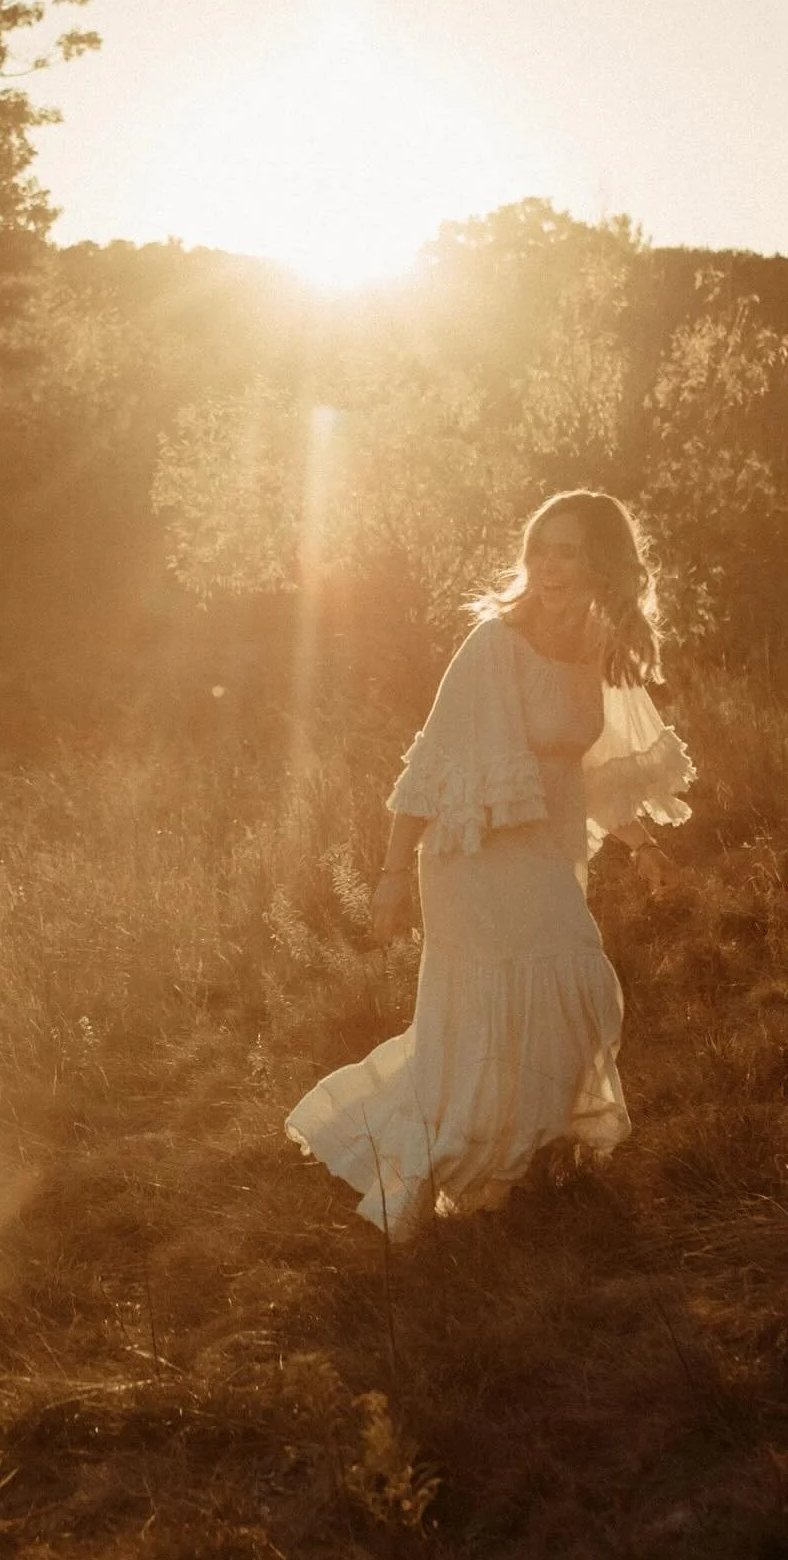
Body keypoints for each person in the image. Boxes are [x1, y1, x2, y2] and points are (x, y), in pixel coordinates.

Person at [286, 491, 694, 1241]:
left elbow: (596, 774)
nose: (548, 566)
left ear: (601, 564)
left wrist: (645, 848)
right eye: (540, 549)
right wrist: (390, 874)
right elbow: (430, 766)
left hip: (547, 849)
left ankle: (513, 1163)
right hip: (474, 854)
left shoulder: (601, 648)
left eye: (568, 552)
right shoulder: (492, 644)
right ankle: (486, 1178)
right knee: (543, 987)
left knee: (565, 993)